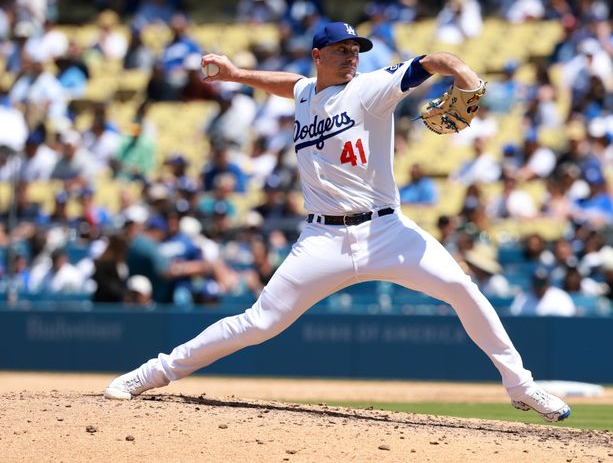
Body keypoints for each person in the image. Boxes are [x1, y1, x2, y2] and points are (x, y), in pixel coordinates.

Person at [104, 21, 571, 422]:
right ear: (317, 56)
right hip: (322, 237)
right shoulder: (307, 91)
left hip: (387, 231)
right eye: (341, 50)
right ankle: (151, 373)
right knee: (260, 322)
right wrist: (237, 75)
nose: (351, 57)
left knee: (462, 288)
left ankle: (520, 385)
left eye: (355, 50)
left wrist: (465, 74)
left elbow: (433, 60)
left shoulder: (369, 89)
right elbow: (289, 84)